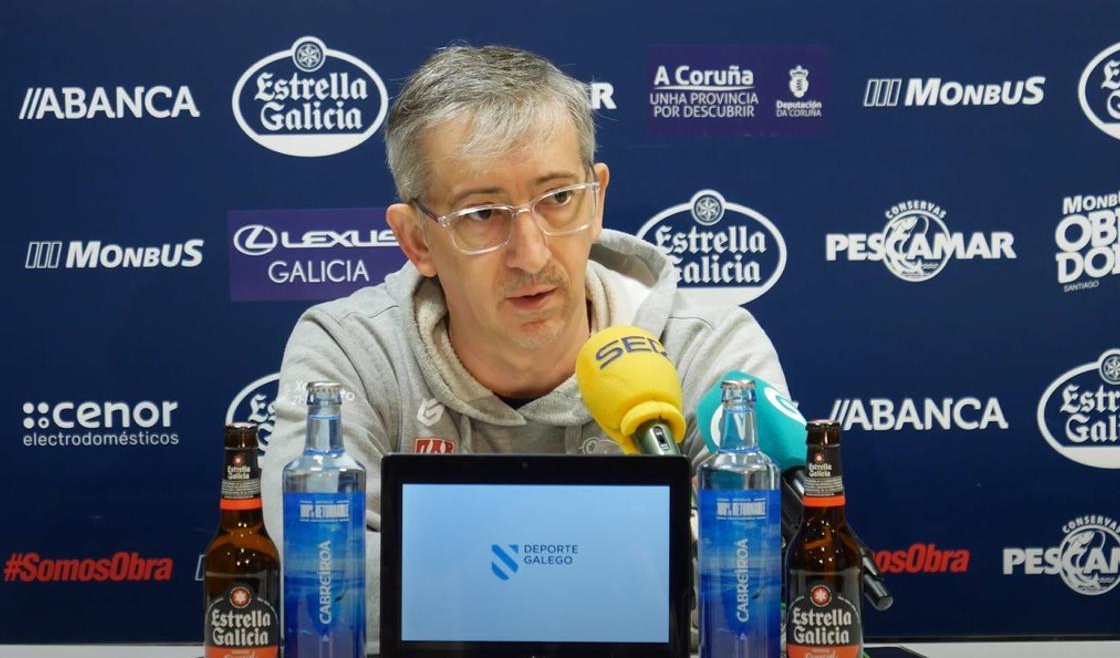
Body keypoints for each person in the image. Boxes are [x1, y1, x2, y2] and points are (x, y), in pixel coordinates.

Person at [262, 44, 788, 654]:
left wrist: (462, 589)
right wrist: (628, 585)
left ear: (597, 200)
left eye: (558, 198)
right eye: (483, 214)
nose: (532, 255)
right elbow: (329, 587)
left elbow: (752, 592)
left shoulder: (708, 346)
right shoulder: (349, 351)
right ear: (416, 240)